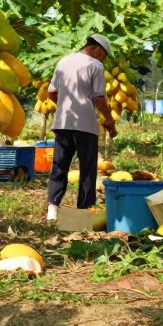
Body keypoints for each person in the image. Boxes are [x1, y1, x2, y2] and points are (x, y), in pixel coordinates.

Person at [45, 34, 117, 221]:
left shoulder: (64, 61)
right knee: (87, 169)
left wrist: (64, 107)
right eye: (103, 56)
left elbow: (52, 93)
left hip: (62, 123)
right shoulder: (95, 66)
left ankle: (52, 209)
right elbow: (99, 99)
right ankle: (83, 211)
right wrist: (109, 119)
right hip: (85, 125)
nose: (103, 60)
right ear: (97, 50)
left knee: (60, 165)